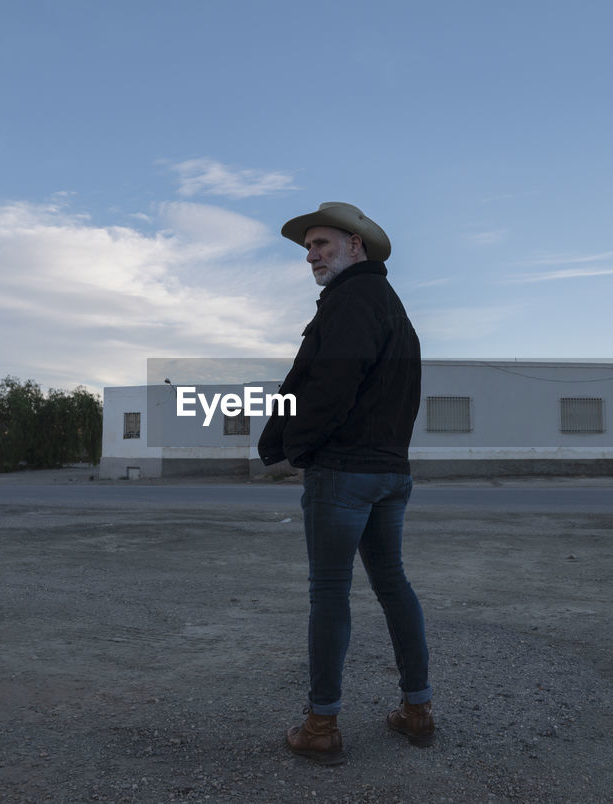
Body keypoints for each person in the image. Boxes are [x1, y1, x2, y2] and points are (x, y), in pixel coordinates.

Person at [258, 202, 434, 765]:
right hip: (390, 472)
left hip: (345, 474)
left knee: (329, 593)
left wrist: (295, 447)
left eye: (322, 245)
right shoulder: (391, 307)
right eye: (308, 247)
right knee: (393, 586)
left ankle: (321, 725)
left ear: (355, 246)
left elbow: (329, 385)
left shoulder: (351, 302)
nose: (311, 256)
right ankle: (416, 710)